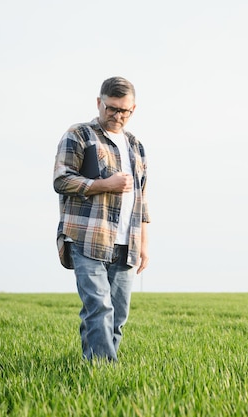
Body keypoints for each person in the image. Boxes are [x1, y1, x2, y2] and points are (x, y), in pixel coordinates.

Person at [53, 76, 150, 362]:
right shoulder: (80, 135)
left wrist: (144, 244)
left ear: (133, 109)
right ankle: (103, 373)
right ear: (99, 103)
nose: (118, 116)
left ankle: (97, 366)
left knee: (118, 315)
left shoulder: (136, 146)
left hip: (127, 243)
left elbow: (143, 200)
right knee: (99, 308)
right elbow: (61, 179)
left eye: (125, 111)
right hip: (88, 238)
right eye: (111, 108)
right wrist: (104, 185)